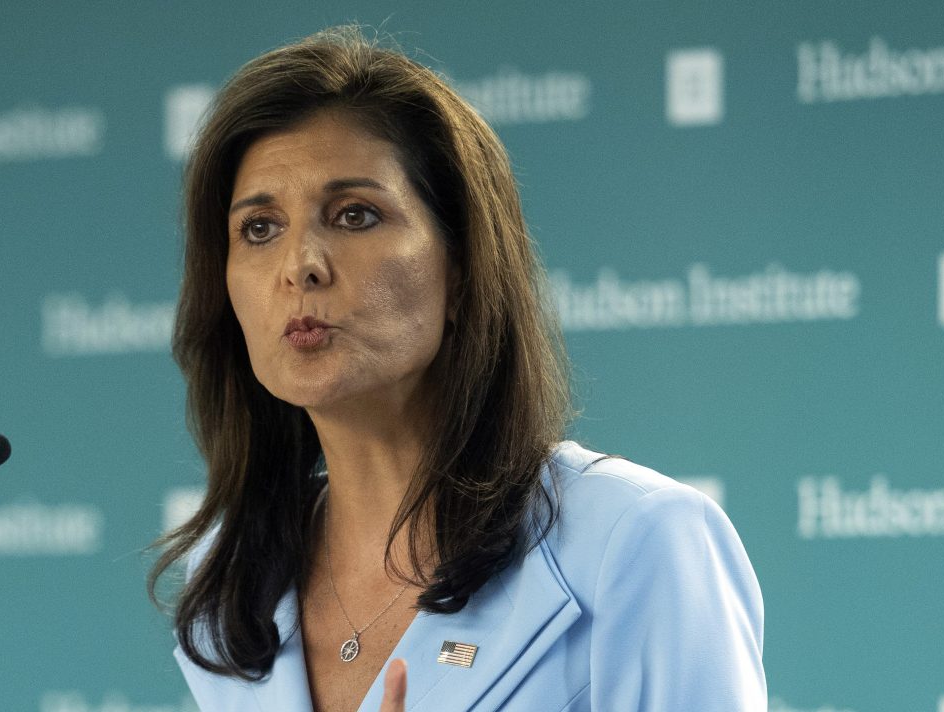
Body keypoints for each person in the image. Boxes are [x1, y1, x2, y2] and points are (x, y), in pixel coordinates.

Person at [149, 26, 765, 712]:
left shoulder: (637, 539)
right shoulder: (230, 584)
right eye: (259, 228)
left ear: (464, 267)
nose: (301, 266)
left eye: (354, 215)